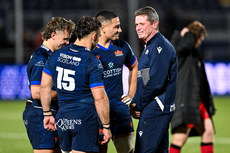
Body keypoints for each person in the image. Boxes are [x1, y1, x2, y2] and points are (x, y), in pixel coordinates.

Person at [40, 16, 112, 153]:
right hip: (84, 118)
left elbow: (44, 87)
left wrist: (47, 113)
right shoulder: (92, 61)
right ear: (94, 35)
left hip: (62, 119)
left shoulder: (56, 55)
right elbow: (100, 98)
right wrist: (106, 126)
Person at [23, 17, 75, 153]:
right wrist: (68, 92)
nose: (67, 42)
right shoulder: (40, 58)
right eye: (65, 39)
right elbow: (36, 92)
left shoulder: (53, 55)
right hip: (40, 113)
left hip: (52, 113)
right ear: (53, 35)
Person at [130, 6, 177, 153]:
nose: (138, 28)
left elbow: (155, 83)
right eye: (136, 24)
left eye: (142, 24)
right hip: (153, 106)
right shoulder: (150, 46)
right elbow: (145, 80)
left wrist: (139, 104)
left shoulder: (160, 47)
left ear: (155, 24)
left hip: (156, 107)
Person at [92, 11, 138, 153]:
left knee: (128, 151)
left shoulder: (122, 46)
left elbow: (134, 66)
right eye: (116, 27)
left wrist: (131, 94)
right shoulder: (89, 50)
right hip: (96, 111)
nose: (120, 30)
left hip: (119, 109)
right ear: (102, 28)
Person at [169, 21, 215, 153]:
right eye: (200, 38)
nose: (200, 42)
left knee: (208, 132)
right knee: (180, 138)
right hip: (186, 101)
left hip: (196, 101)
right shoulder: (182, 48)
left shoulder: (193, 54)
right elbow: (183, 45)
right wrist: (188, 33)